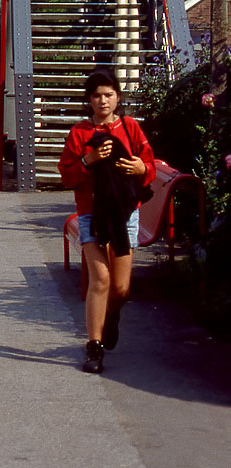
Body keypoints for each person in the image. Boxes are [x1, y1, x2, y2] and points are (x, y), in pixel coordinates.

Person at [58, 69, 156, 374]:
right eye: (97, 95)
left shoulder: (130, 129)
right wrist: (90, 159)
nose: (103, 100)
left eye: (109, 95)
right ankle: (94, 346)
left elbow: (149, 166)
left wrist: (142, 168)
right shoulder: (79, 134)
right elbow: (67, 176)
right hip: (91, 213)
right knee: (100, 279)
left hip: (125, 214)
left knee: (122, 288)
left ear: (117, 97)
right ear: (89, 99)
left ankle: (110, 317)